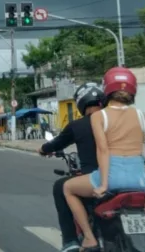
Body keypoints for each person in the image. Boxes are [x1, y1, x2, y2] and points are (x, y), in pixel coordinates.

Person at [63, 67, 145, 252]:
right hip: (140, 179)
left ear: (107, 89)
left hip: (113, 176)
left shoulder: (99, 116)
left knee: (68, 188)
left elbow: (103, 151)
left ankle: (88, 237)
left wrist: (103, 184)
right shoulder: (140, 114)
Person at [39, 82, 105, 252]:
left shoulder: (77, 126)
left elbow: (56, 143)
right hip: (123, 175)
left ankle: (70, 241)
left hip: (95, 179)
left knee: (60, 187)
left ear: (81, 103)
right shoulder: (113, 121)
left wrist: (43, 149)